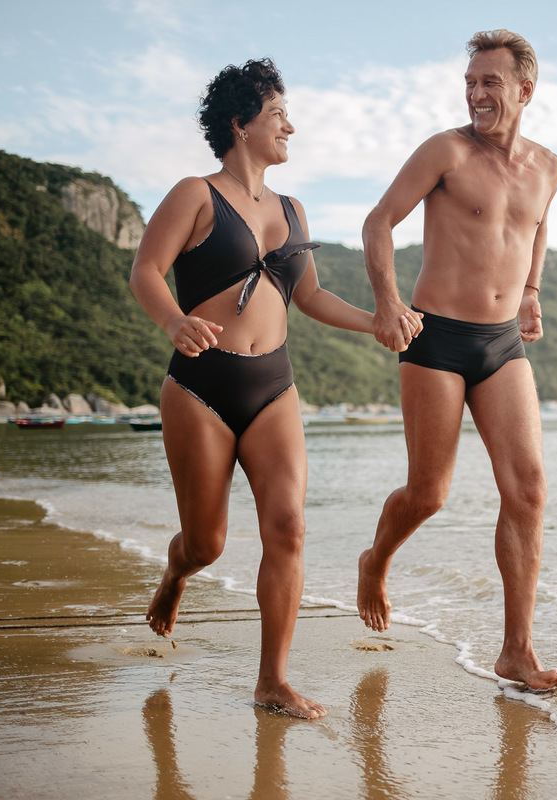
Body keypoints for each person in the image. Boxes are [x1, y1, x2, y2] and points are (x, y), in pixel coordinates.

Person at [129, 58, 418, 719]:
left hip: (273, 386)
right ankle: (176, 574)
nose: (291, 125)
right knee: (207, 544)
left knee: (288, 528)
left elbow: (309, 295)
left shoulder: (292, 209)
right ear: (241, 123)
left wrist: (377, 321)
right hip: (200, 387)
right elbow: (146, 269)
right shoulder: (194, 194)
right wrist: (173, 321)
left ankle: (272, 682)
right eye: (278, 114)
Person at [356, 30, 557, 691]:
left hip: (502, 340)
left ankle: (517, 652)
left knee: (527, 490)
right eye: (471, 82)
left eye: (491, 83)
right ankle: (375, 559)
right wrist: (388, 303)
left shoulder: (549, 167)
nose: (477, 93)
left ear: (525, 90)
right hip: (436, 338)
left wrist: (531, 293)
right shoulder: (445, 151)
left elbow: (538, 228)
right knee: (429, 494)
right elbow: (378, 223)